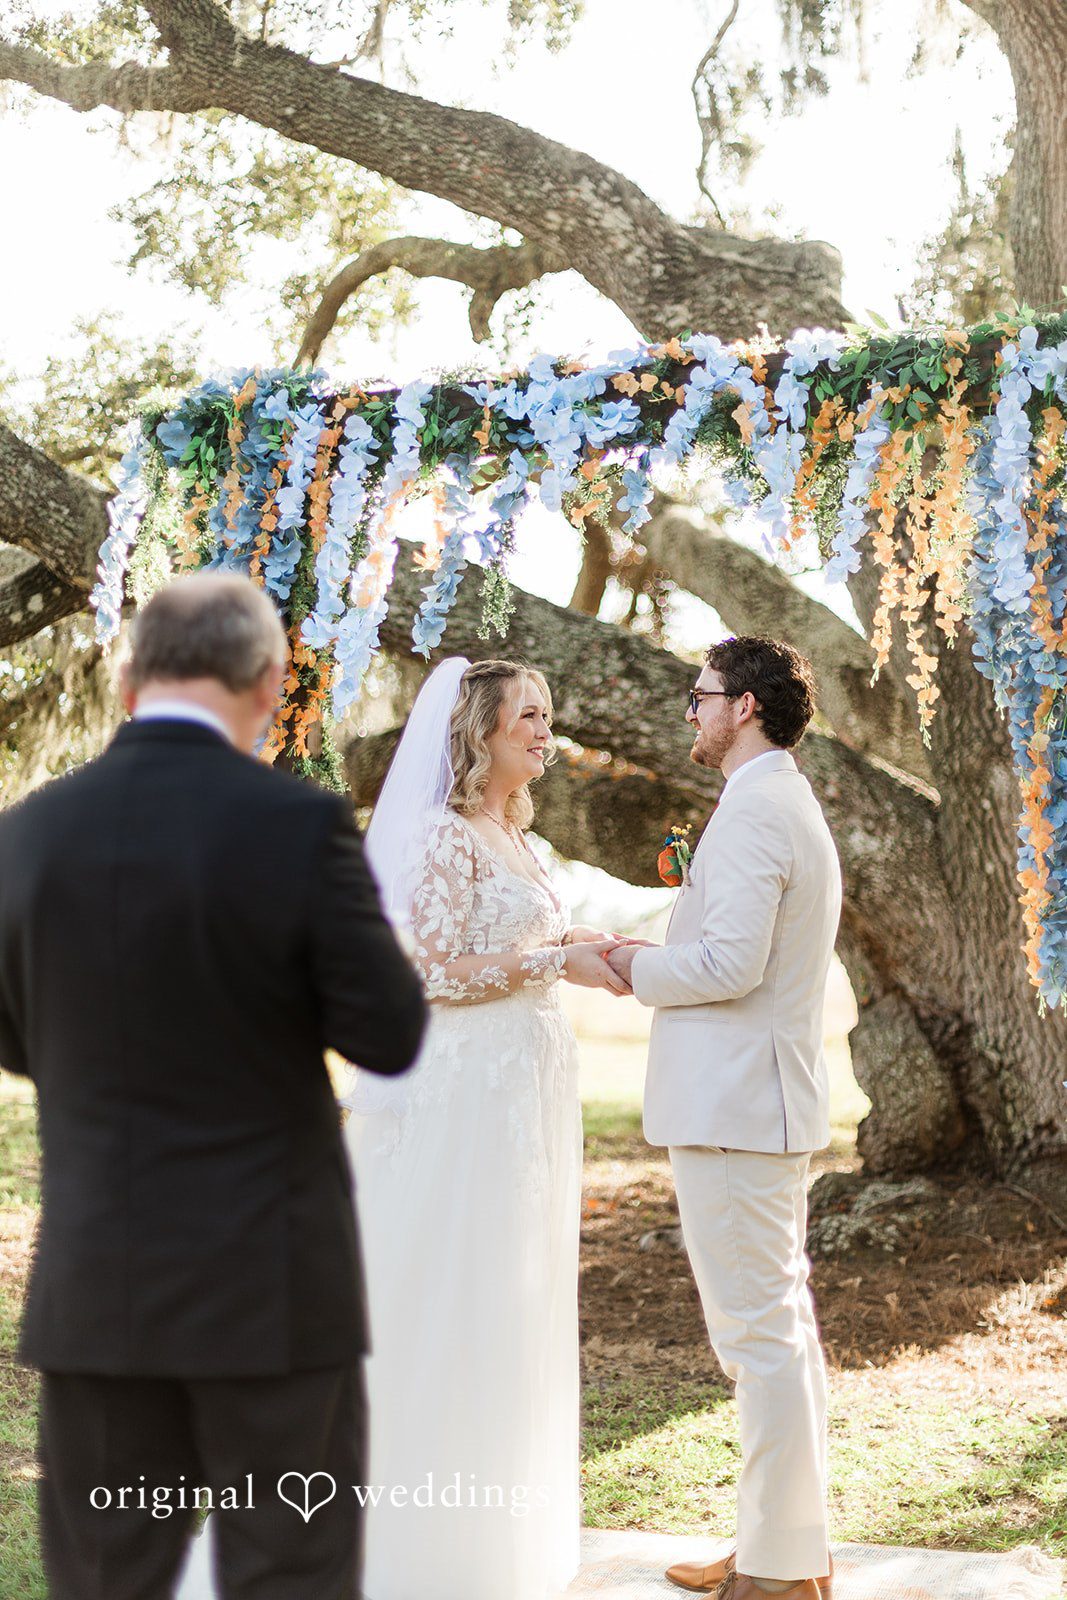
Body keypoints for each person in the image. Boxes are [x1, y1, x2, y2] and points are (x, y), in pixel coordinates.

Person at [0, 572, 426, 1600]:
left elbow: (17, 1035)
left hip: (101, 1283)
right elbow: (388, 1030)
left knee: (107, 1580)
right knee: (288, 1575)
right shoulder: (296, 825)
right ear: (272, 682)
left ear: (125, 677)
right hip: (271, 1288)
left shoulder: (28, 831)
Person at [344, 656, 628, 1600]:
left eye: (548, 715)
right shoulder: (438, 833)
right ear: (478, 733)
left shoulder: (513, 833)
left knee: (514, 1297)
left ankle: (499, 1527)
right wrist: (555, 960)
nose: (546, 732)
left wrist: (584, 952)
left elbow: (529, 949)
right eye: (528, 718)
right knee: (450, 1291)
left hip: (524, 1095)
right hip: (462, 1098)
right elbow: (424, 970)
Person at [606, 636, 842, 1600]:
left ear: (743, 706)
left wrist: (627, 969)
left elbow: (727, 967)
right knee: (774, 1334)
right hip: (749, 1106)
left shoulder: (758, 812)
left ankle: (782, 1570)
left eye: (699, 695)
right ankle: (776, 1546)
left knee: (759, 1340)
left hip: (741, 1112)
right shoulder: (766, 800)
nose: (690, 711)